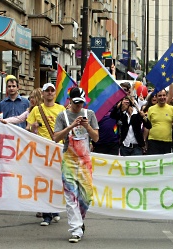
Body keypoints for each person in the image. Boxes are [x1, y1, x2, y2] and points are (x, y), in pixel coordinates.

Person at [53, 87, 99, 243]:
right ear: (70, 100)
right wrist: (71, 126)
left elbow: (96, 138)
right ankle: (75, 230)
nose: (79, 106)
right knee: (71, 196)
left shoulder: (90, 114)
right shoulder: (62, 116)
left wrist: (87, 126)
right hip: (69, 161)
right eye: (76, 102)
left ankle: (80, 221)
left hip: (85, 161)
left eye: (81, 102)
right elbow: (56, 138)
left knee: (86, 197)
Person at [26, 83, 65, 226]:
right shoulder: (36, 109)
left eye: (52, 90)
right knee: (44, 182)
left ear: (55, 93)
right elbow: (27, 128)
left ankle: (54, 210)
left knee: (56, 181)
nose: (49, 93)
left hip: (58, 150)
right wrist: (33, 127)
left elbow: (67, 127)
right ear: (42, 94)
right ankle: (46, 215)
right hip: (42, 151)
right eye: (47, 91)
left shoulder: (61, 109)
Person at [146, 89, 173, 155]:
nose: (162, 97)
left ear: (166, 96)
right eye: (160, 96)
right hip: (153, 141)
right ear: (156, 97)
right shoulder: (151, 109)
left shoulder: (172, 109)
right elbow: (147, 127)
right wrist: (144, 140)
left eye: (164, 95)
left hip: (167, 142)